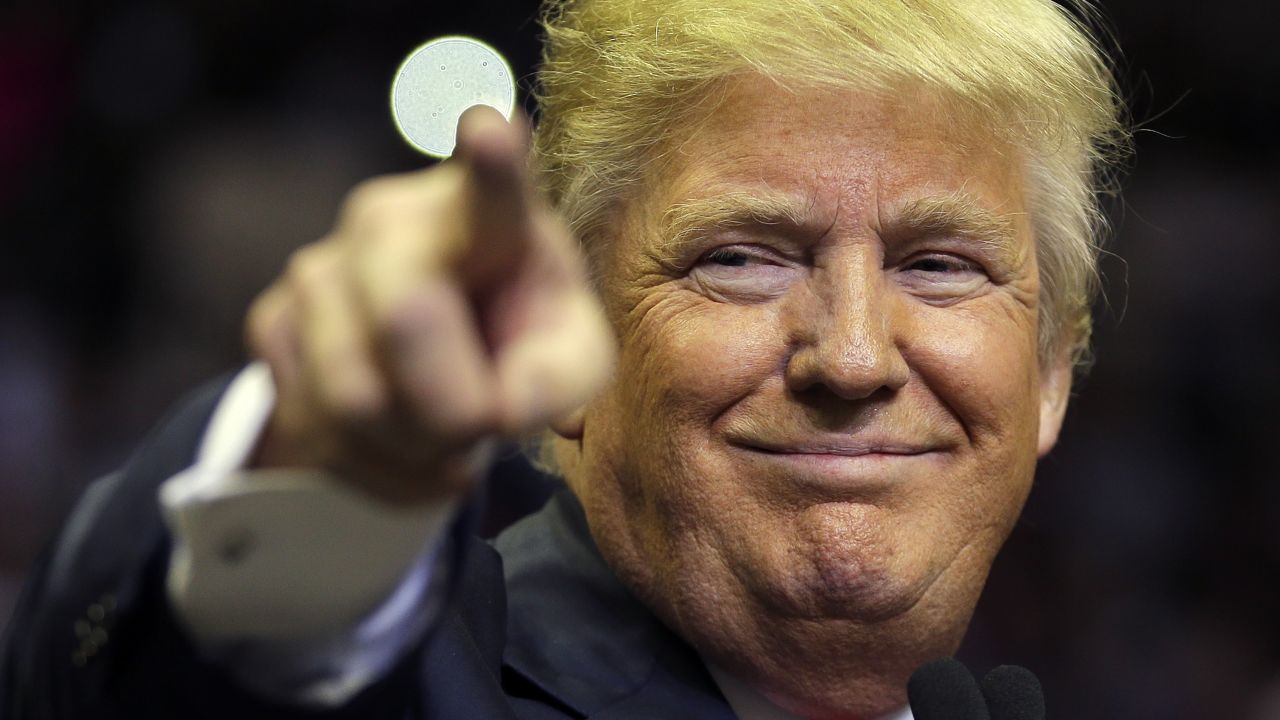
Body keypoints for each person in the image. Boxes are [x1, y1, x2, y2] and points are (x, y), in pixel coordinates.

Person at [1, 0, 1128, 717]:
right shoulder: (437, 678)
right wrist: (312, 482)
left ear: (1047, 374)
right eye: (740, 258)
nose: (849, 353)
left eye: (937, 265)